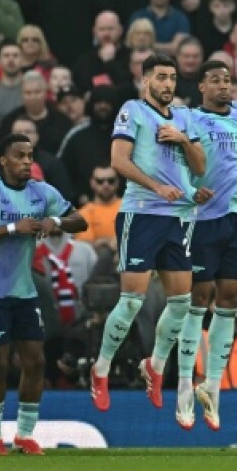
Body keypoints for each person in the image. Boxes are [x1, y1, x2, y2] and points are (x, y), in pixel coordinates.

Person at [89, 54, 205, 411]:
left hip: (179, 216)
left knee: (182, 302)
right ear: (146, 81)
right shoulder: (132, 111)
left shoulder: (184, 116)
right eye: (161, 78)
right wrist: (156, 187)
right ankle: (102, 368)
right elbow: (119, 160)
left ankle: (154, 367)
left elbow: (200, 166)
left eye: (172, 77)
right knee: (132, 301)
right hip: (142, 213)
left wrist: (184, 141)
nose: (169, 84)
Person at [0, 133, 85, 455]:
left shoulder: (41, 192)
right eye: (19, 156)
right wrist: (11, 229)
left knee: (36, 362)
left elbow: (81, 221)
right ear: (3, 160)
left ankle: (24, 434)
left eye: (30, 156)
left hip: (24, 291)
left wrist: (55, 220)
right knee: (0, 365)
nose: (27, 162)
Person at [174, 62, 237, 429]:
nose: (223, 86)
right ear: (201, 85)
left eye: (227, 81)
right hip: (201, 220)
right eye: (215, 80)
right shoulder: (187, 118)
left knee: (230, 297)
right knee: (198, 299)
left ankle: (213, 391)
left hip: (236, 221)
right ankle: (185, 388)